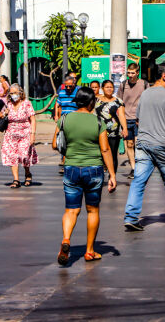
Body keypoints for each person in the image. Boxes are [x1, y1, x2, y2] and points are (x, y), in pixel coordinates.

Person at [52, 87, 117, 265]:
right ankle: (89, 251)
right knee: (92, 210)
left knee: (71, 210)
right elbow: (105, 149)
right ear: (91, 103)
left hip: (71, 168)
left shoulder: (64, 119)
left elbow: (54, 143)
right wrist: (112, 174)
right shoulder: (98, 121)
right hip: (93, 169)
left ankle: (66, 240)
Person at [123, 64, 165, 231]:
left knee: (138, 181)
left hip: (143, 144)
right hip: (162, 145)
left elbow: (138, 120)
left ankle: (131, 216)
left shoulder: (145, 94)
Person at [0, 83, 38, 188]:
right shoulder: (9, 104)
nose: (13, 95)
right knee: (12, 156)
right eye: (11, 93)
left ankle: (27, 173)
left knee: (24, 155)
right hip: (10, 134)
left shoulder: (27, 103)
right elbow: (0, 114)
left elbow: (33, 119)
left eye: (15, 93)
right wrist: (5, 113)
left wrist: (33, 134)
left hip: (25, 133)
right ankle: (16, 179)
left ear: (20, 93)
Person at [118, 63, 149, 179]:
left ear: (137, 73)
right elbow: (119, 102)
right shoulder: (123, 85)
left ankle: (141, 167)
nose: (130, 75)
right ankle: (133, 168)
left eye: (132, 73)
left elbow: (147, 101)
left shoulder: (144, 84)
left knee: (139, 144)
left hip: (139, 119)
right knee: (129, 144)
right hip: (126, 119)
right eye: (128, 73)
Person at [95, 80, 128, 174]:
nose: (109, 89)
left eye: (111, 87)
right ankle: (99, 175)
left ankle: (112, 176)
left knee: (113, 154)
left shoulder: (118, 101)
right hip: (99, 130)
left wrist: (124, 128)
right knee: (99, 153)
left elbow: (121, 115)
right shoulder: (96, 100)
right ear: (102, 89)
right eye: (107, 87)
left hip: (113, 132)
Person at [56, 76, 80, 173]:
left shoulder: (78, 93)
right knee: (64, 142)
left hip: (75, 121)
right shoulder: (62, 93)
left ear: (74, 84)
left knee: (73, 143)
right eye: (67, 87)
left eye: (70, 86)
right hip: (64, 121)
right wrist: (57, 116)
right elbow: (58, 104)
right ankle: (65, 163)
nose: (68, 89)